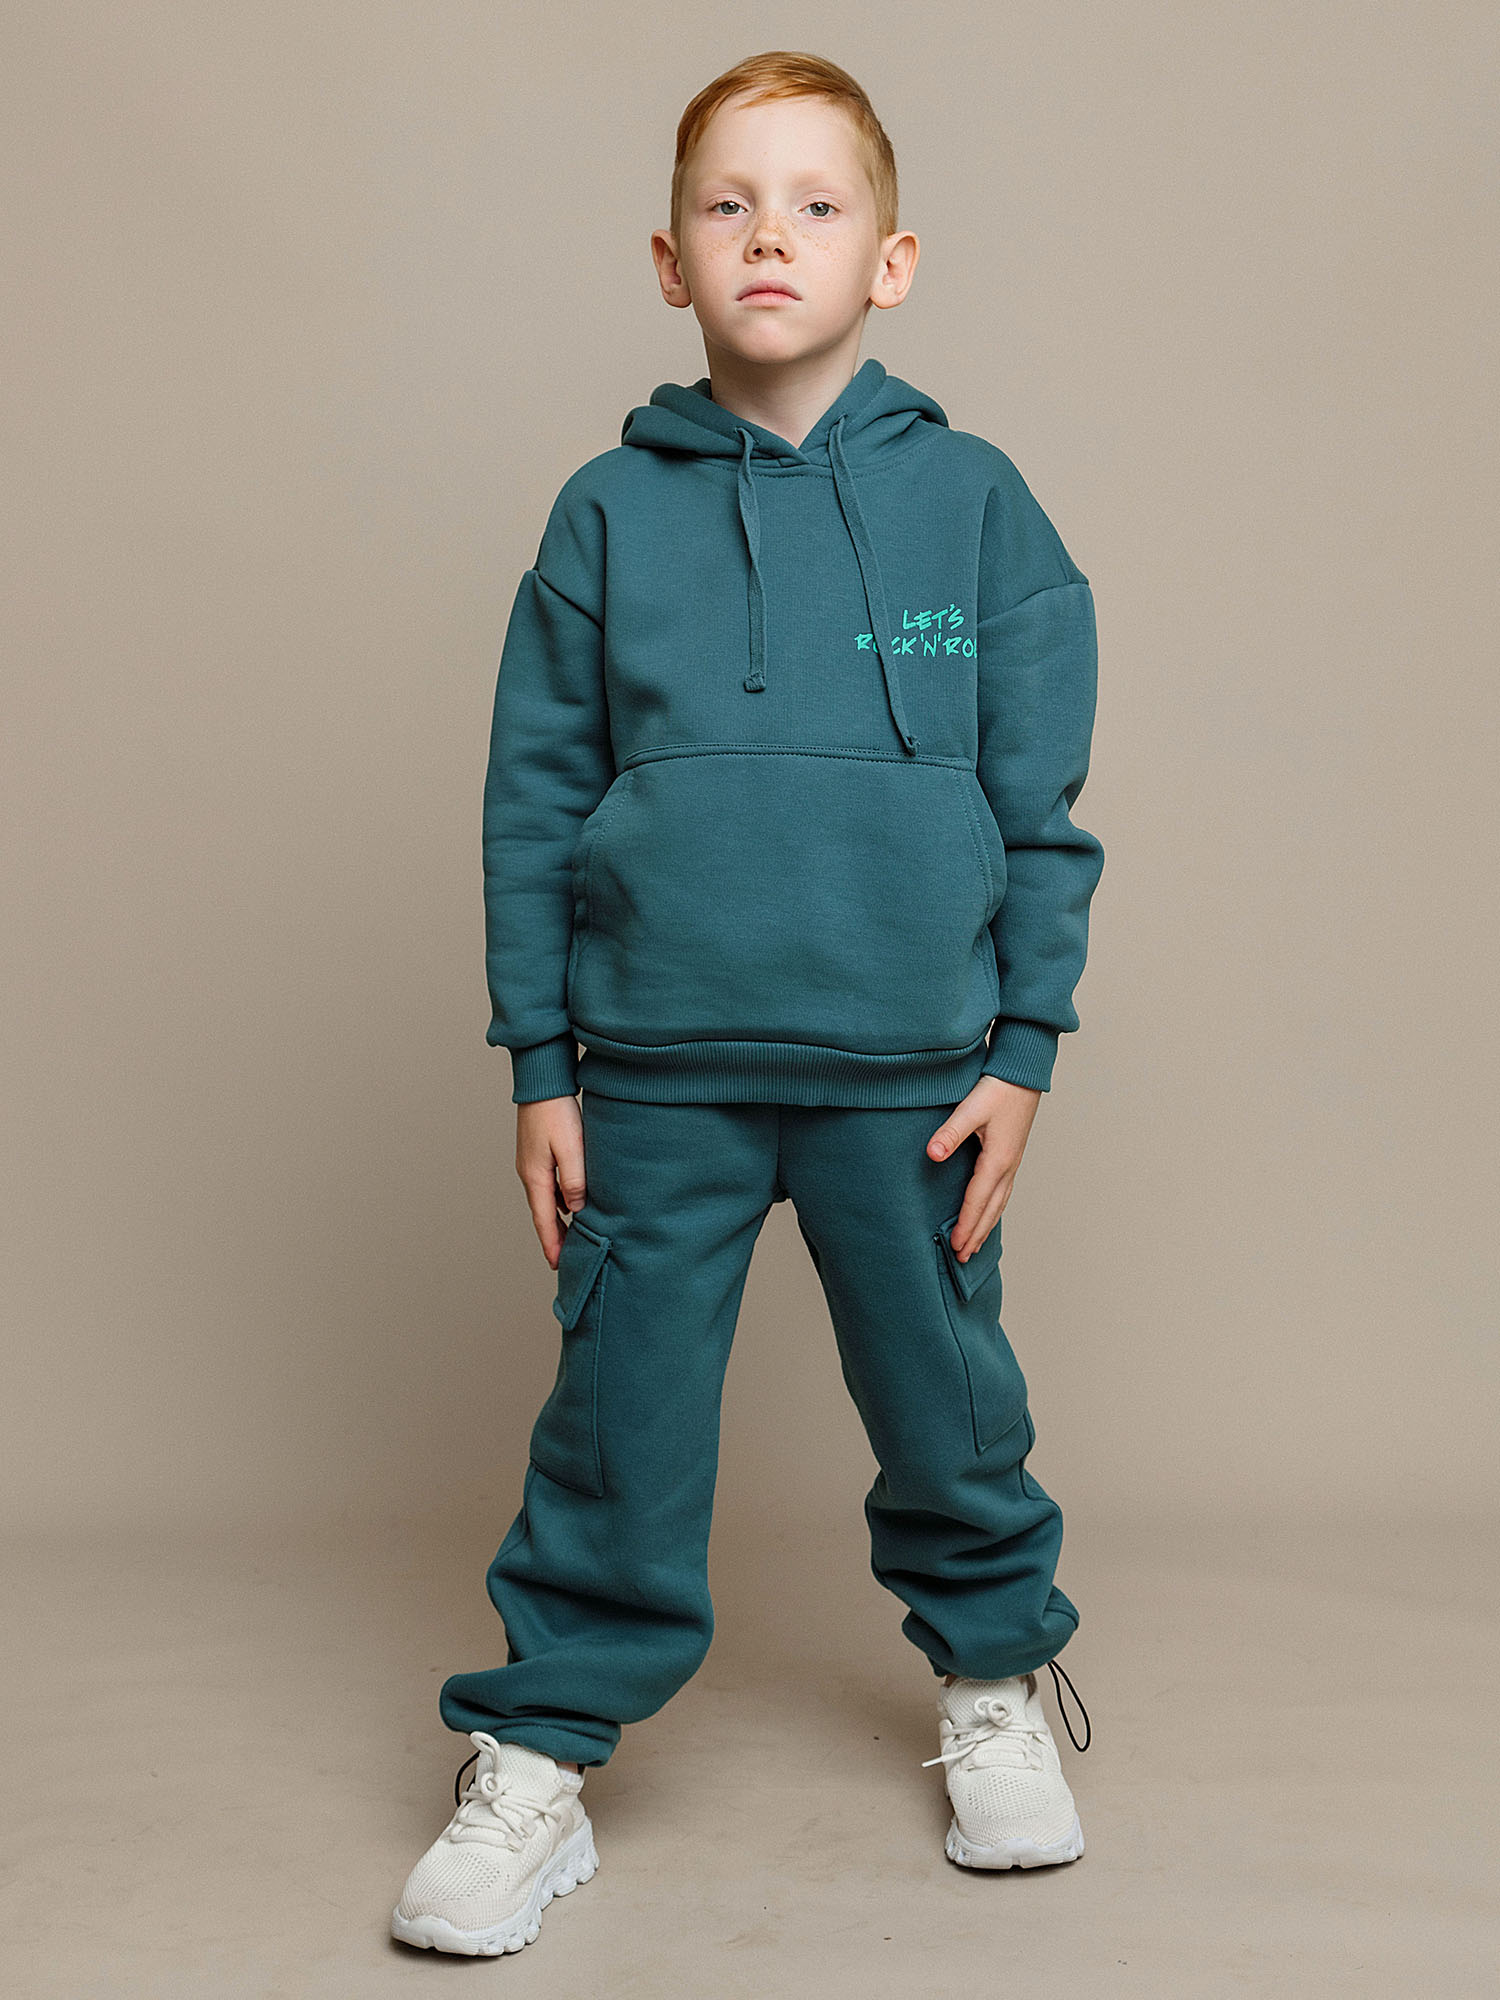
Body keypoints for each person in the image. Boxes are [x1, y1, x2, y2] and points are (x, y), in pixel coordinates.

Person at [391, 49, 1104, 1958]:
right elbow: (531, 803)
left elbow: (1042, 811)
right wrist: (540, 1064)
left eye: (815, 203)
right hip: (655, 1073)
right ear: (669, 260)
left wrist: (1025, 1049)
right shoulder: (603, 517)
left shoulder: (978, 508)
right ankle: (539, 1753)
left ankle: (994, 1681)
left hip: (912, 1079)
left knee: (950, 1409)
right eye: (728, 204)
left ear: (891, 261)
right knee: (615, 1427)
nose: (768, 234)